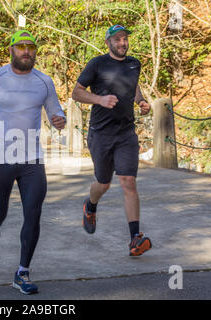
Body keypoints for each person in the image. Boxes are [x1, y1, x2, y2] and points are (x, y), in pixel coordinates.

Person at [0, 30, 66, 294]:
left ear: (35, 51)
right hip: (1, 158)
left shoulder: (44, 81)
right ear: (10, 50)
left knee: (33, 213)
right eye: (20, 47)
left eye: (31, 47)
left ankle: (22, 272)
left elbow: (56, 110)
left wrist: (59, 119)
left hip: (32, 159)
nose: (26, 52)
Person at [72, 25, 152, 257]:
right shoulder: (96, 64)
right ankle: (91, 205)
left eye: (125, 39)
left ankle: (135, 239)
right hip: (101, 133)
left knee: (128, 181)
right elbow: (77, 92)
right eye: (117, 39)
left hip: (126, 133)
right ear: (108, 42)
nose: (122, 43)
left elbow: (133, 85)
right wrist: (99, 99)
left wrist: (141, 101)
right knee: (103, 183)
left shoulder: (134, 63)